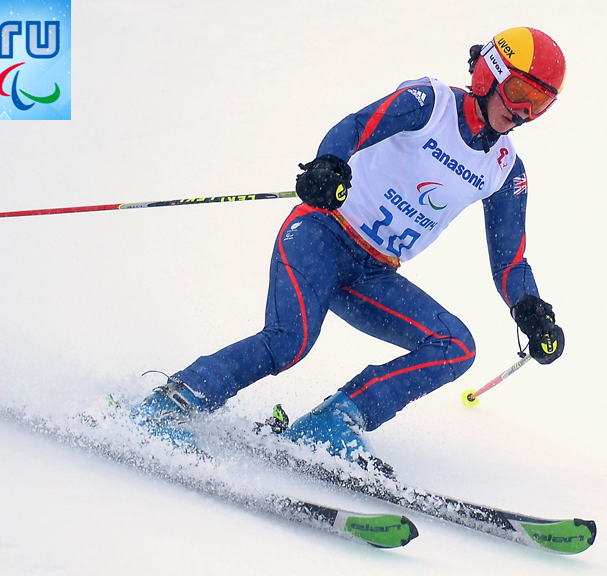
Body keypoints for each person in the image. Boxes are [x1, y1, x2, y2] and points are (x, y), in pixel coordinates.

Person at [132, 27, 567, 461]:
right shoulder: (430, 104)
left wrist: (529, 308)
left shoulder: (505, 169)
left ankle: (333, 421)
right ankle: (171, 403)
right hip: (321, 233)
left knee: (455, 345)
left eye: (540, 103)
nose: (524, 111)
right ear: (490, 74)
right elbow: (357, 126)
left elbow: (510, 261)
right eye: (518, 91)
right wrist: (329, 165)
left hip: (373, 273)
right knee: (288, 341)